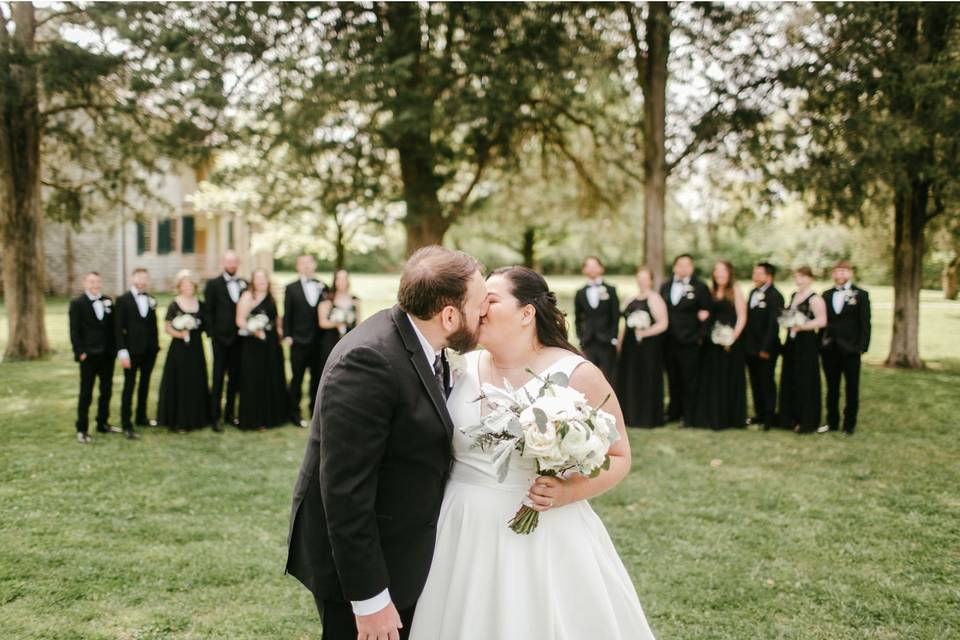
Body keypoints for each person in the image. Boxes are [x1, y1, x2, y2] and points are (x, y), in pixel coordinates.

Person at [409, 266, 655, 640]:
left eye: (490, 300)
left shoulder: (576, 373)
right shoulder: (460, 365)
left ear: (527, 313)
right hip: (461, 528)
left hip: (545, 534)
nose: (478, 309)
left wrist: (567, 492)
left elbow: (620, 455)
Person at [286, 246, 489, 640]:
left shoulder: (425, 342)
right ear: (449, 315)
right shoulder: (368, 361)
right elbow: (345, 492)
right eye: (479, 305)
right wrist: (370, 599)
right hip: (361, 571)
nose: (486, 314)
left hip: (401, 551)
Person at [690, 261, 748, 430]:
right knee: (713, 379)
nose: (719, 274)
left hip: (730, 343)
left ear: (729, 273)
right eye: (716, 271)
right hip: (713, 343)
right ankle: (713, 416)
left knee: (729, 378)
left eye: (723, 271)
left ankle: (731, 417)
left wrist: (732, 338)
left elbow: (742, 316)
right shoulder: (711, 291)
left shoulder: (735, 289)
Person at [819, 260, 871, 435]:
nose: (840, 275)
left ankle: (849, 425)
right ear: (833, 274)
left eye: (843, 271)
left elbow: (865, 323)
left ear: (850, 273)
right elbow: (823, 322)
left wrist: (862, 347)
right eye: (837, 271)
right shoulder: (826, 295)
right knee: (832, 388)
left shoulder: (861, 295)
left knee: (851, 389)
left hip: (851, 350)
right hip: (830, 350)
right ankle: (832, 422)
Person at [658, 254, 711, 426]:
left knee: (689, 380)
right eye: (680, 265)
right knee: (673, 378)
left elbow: (707, 314)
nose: (683, 268)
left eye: (687, 265)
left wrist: (699, 338)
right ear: (674, 267)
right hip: (668, 341)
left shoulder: (700, 287)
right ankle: (674, 411)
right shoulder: (665, 286)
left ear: (692, 268)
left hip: (690, 342)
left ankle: (689, 416)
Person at [68, 272, 119, 443]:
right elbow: (74, 331)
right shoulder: (77, 303)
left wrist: (115, 350)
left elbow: (113, 328)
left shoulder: (108, 301)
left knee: (106, 391)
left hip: (107, 356)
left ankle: (102, 423)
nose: (95, 284)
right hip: (88, 356)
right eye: (91, 281)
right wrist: (80, 352)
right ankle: (82, 429)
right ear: (85, 283)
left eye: (98, 281)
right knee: (86, 393)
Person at [157, 270, 211, 431]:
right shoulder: (175, 304)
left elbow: (205, 325)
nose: (188, 288)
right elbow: (167, 327)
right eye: (184, 285)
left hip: (196, 346)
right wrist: (180, 334)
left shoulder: (200, 304)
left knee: (195, 378)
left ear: (194, 287)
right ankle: (177, 418)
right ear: (179, 287)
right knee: (180, 379)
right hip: (179, 347)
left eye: (190, 285)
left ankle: (197, 417)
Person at [236, 269, 290, 431]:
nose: (261, 282)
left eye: (263, 279)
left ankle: (273, 416)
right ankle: (256, 419)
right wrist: (253, 330)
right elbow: (239, 320)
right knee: (255, 378)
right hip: (253, 345)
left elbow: (277, 318)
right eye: (257, 279)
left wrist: (281, 333)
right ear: (253, 281)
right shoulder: (247, 296)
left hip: (271, 344)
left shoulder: (272, 297)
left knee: (272, 376)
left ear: (268, 280)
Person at [615, 267, 668, 427]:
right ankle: (630, 415)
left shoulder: (655, 298)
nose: (642, 281)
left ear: (651, 280)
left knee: (646, 378)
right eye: (639, 278)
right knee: (630, 378)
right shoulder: (631, 298)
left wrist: (644, 333)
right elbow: (625, 323)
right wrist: (620, 340)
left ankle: (646, 417)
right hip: (630, 347)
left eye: (645, 278)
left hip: (648, 347)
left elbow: (663, 324)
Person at [778, 266, 827, 434]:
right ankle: (789, 417)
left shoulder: (815, 299)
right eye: (796, 276)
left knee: (805, 379)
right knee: (790, 377)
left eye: (802, 276)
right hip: (792, 342)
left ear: (810, 278)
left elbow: (822, 321)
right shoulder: (793, 295)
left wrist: (802, 326)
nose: (798, 279)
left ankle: (806, 420)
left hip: (806, 342)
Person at [204, 250, 247, 432]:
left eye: (235, 262)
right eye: (229, 261)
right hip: (220, 340)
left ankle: (230, 414)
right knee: (218, 377)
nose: (232, 265)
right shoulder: (213, 284)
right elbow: (208, 311)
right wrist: (213, 334)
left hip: (239, 339)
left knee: (235, 378)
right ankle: (215, 417)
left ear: (238, 263)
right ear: (223, 262)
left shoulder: (245, 284)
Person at [114, 267, 160, 439]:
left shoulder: (151, 299)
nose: (142, 280)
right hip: (131, 351)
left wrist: (155, 347)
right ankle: (127, 423)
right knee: (129, 385)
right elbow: (118, 328)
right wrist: (122, 351)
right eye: (139, 277)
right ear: (133, 279)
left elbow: (153, 325)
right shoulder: (123, 300)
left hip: (149, 351)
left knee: (145, 384)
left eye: (145, 278)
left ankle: (141, 417)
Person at [283, 255, 327, 428]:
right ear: (298, 267)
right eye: (303, 264)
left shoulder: (323, 286)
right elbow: (287, 314)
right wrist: (288, 335)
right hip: (298, 341)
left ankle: (315, 412)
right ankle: (294, 413)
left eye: (309, 263)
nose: (307, 267)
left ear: (314, 265)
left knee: (317, 378)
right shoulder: (291, 288)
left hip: (319, 342)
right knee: (297, 378)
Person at [743, 262, 785, 429]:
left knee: (766, 382)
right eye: (754, 273)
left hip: (766, 348)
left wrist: (765, 349)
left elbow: (773, 326)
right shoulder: (753, 292)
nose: (755, 276)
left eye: (759, 273)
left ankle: (769, 417)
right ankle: (759, 414)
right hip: (750, 347)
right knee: (755, 382)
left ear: (769, 276)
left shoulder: (775, 296)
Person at [574, 256, 620, 381]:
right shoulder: (580, 293)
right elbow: (578, 318)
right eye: (588, 266)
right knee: (589, 378)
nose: (592, 269)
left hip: (607, 341)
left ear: (601, 268)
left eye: (595, 266)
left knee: (609, 378)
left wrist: (613, 338)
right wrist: (581, 338)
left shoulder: (611, 290)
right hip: (588, 341)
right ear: (584, 270)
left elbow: (616, 316)